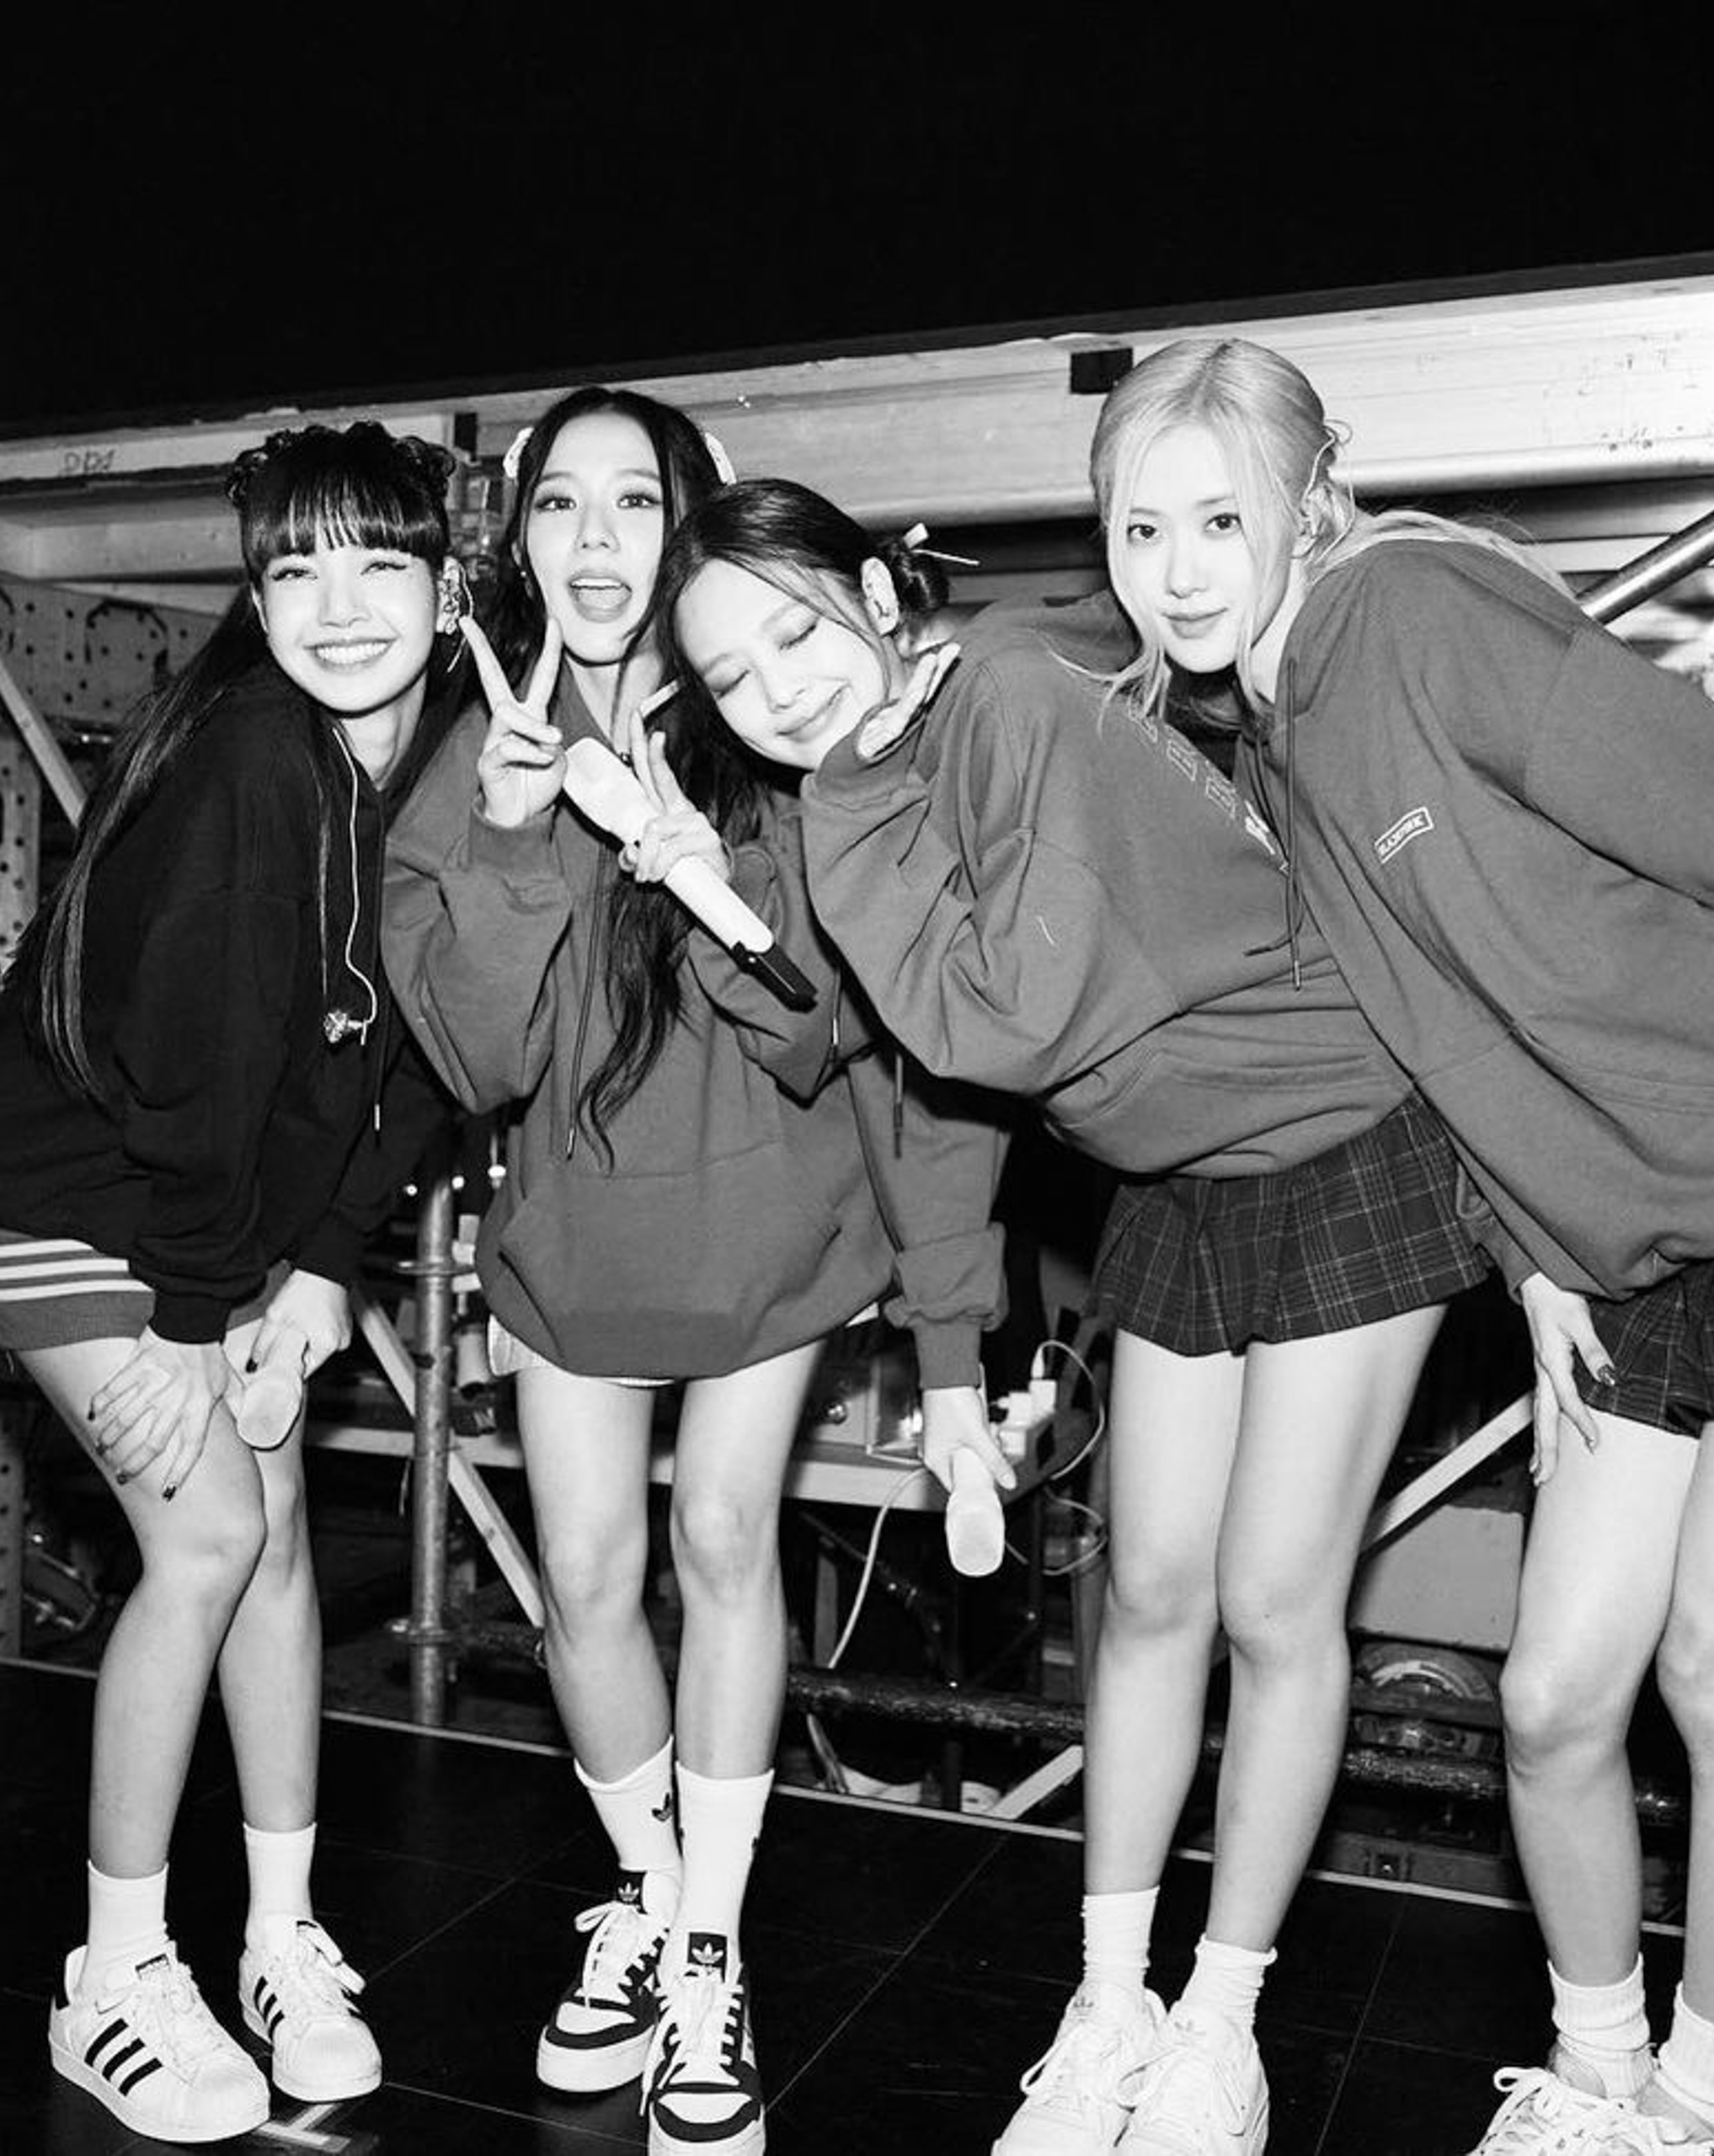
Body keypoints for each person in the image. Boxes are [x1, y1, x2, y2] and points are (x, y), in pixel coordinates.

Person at [659, 476, 1496, 2156]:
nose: (775, 692)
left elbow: (1001, 1024)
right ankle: (1110, 2003)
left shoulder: (1006, 698)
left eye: (791, 633)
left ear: (875, 593)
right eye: (730, 679)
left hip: (1345, 1137)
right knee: (1150, 1593)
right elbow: (919, 1094)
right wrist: (950, 1377)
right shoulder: (862, 785)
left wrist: (816, 843)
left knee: (1273, 1597)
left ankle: (1222, 2024)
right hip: (1173, 1179)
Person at [1076, 334, 1714, 2156]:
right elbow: (1447, 1044)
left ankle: (1692, 2092)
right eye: (1141, 529)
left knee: (1711, 1668)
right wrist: (1528, 1251)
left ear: (1311, 501)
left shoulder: (1414, 612)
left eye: (1220, 518)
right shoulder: (1269, 729)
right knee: (1555, 1699)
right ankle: (1602, 2072)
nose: (1178, 570)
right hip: (1624, 1246)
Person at [380, 387, 1007, 2156]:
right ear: (519, 537)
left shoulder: (771, 715)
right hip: (573, 1237)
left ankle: (713, 1945)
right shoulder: (475, 746)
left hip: (770, 1223)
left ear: (689, 522)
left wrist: (704, 867)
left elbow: (828, 1030)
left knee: (724, 1541)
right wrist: (514, 833)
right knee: (583, 1575)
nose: (594, 541)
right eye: (557, 504)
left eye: (633, 502)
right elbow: (477, 1057)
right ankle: (651, 1900)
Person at [0, 420, 463, 2143]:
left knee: (268, 1537)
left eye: (379, 563)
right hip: (68, 1193)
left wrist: (323, 1264)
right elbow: (195, 1065)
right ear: (254, 599)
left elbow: (418, 1056)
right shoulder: (264, 752)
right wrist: (203, 1317)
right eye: (295, 569)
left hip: (214, 1217)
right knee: (206, 1535)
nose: (338, 606)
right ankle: (113, 1974)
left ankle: (279, 1937)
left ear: (445, 585)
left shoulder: (435, 775)